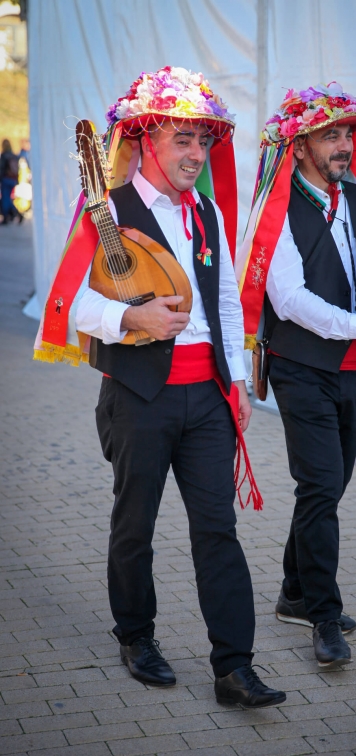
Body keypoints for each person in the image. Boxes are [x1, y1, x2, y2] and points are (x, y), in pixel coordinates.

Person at [34, 66, 285, 708]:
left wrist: (238, 384)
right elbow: (66, 305)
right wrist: (130, 318)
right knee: (135, 524)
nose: (196, 155)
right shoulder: (108, 210)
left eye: (203, 142)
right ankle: (136, 636)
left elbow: (227, 300)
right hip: (137, 395)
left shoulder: (205, 211)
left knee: (217, 530)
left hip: (206, 398)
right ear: (148, 141)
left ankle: (234, 667)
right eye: (182, 140)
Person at [236, 81, 356, 669]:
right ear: (299, 146)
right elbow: (289, 300)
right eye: (330, 135)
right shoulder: (277, 209)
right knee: (319, 486)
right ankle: (322, 613)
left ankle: (294, 591)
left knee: (329, 487)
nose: (343, 145)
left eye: (347, 134)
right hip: (302, 369)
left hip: (353, 370)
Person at [0, 139, 20, 224]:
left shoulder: (4, 155)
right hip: (13, 179)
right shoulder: (13, 155)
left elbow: (1, 168)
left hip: (6, 179)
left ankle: (11, 214)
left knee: (5, 199)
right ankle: (14, 213)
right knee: (7, 198)